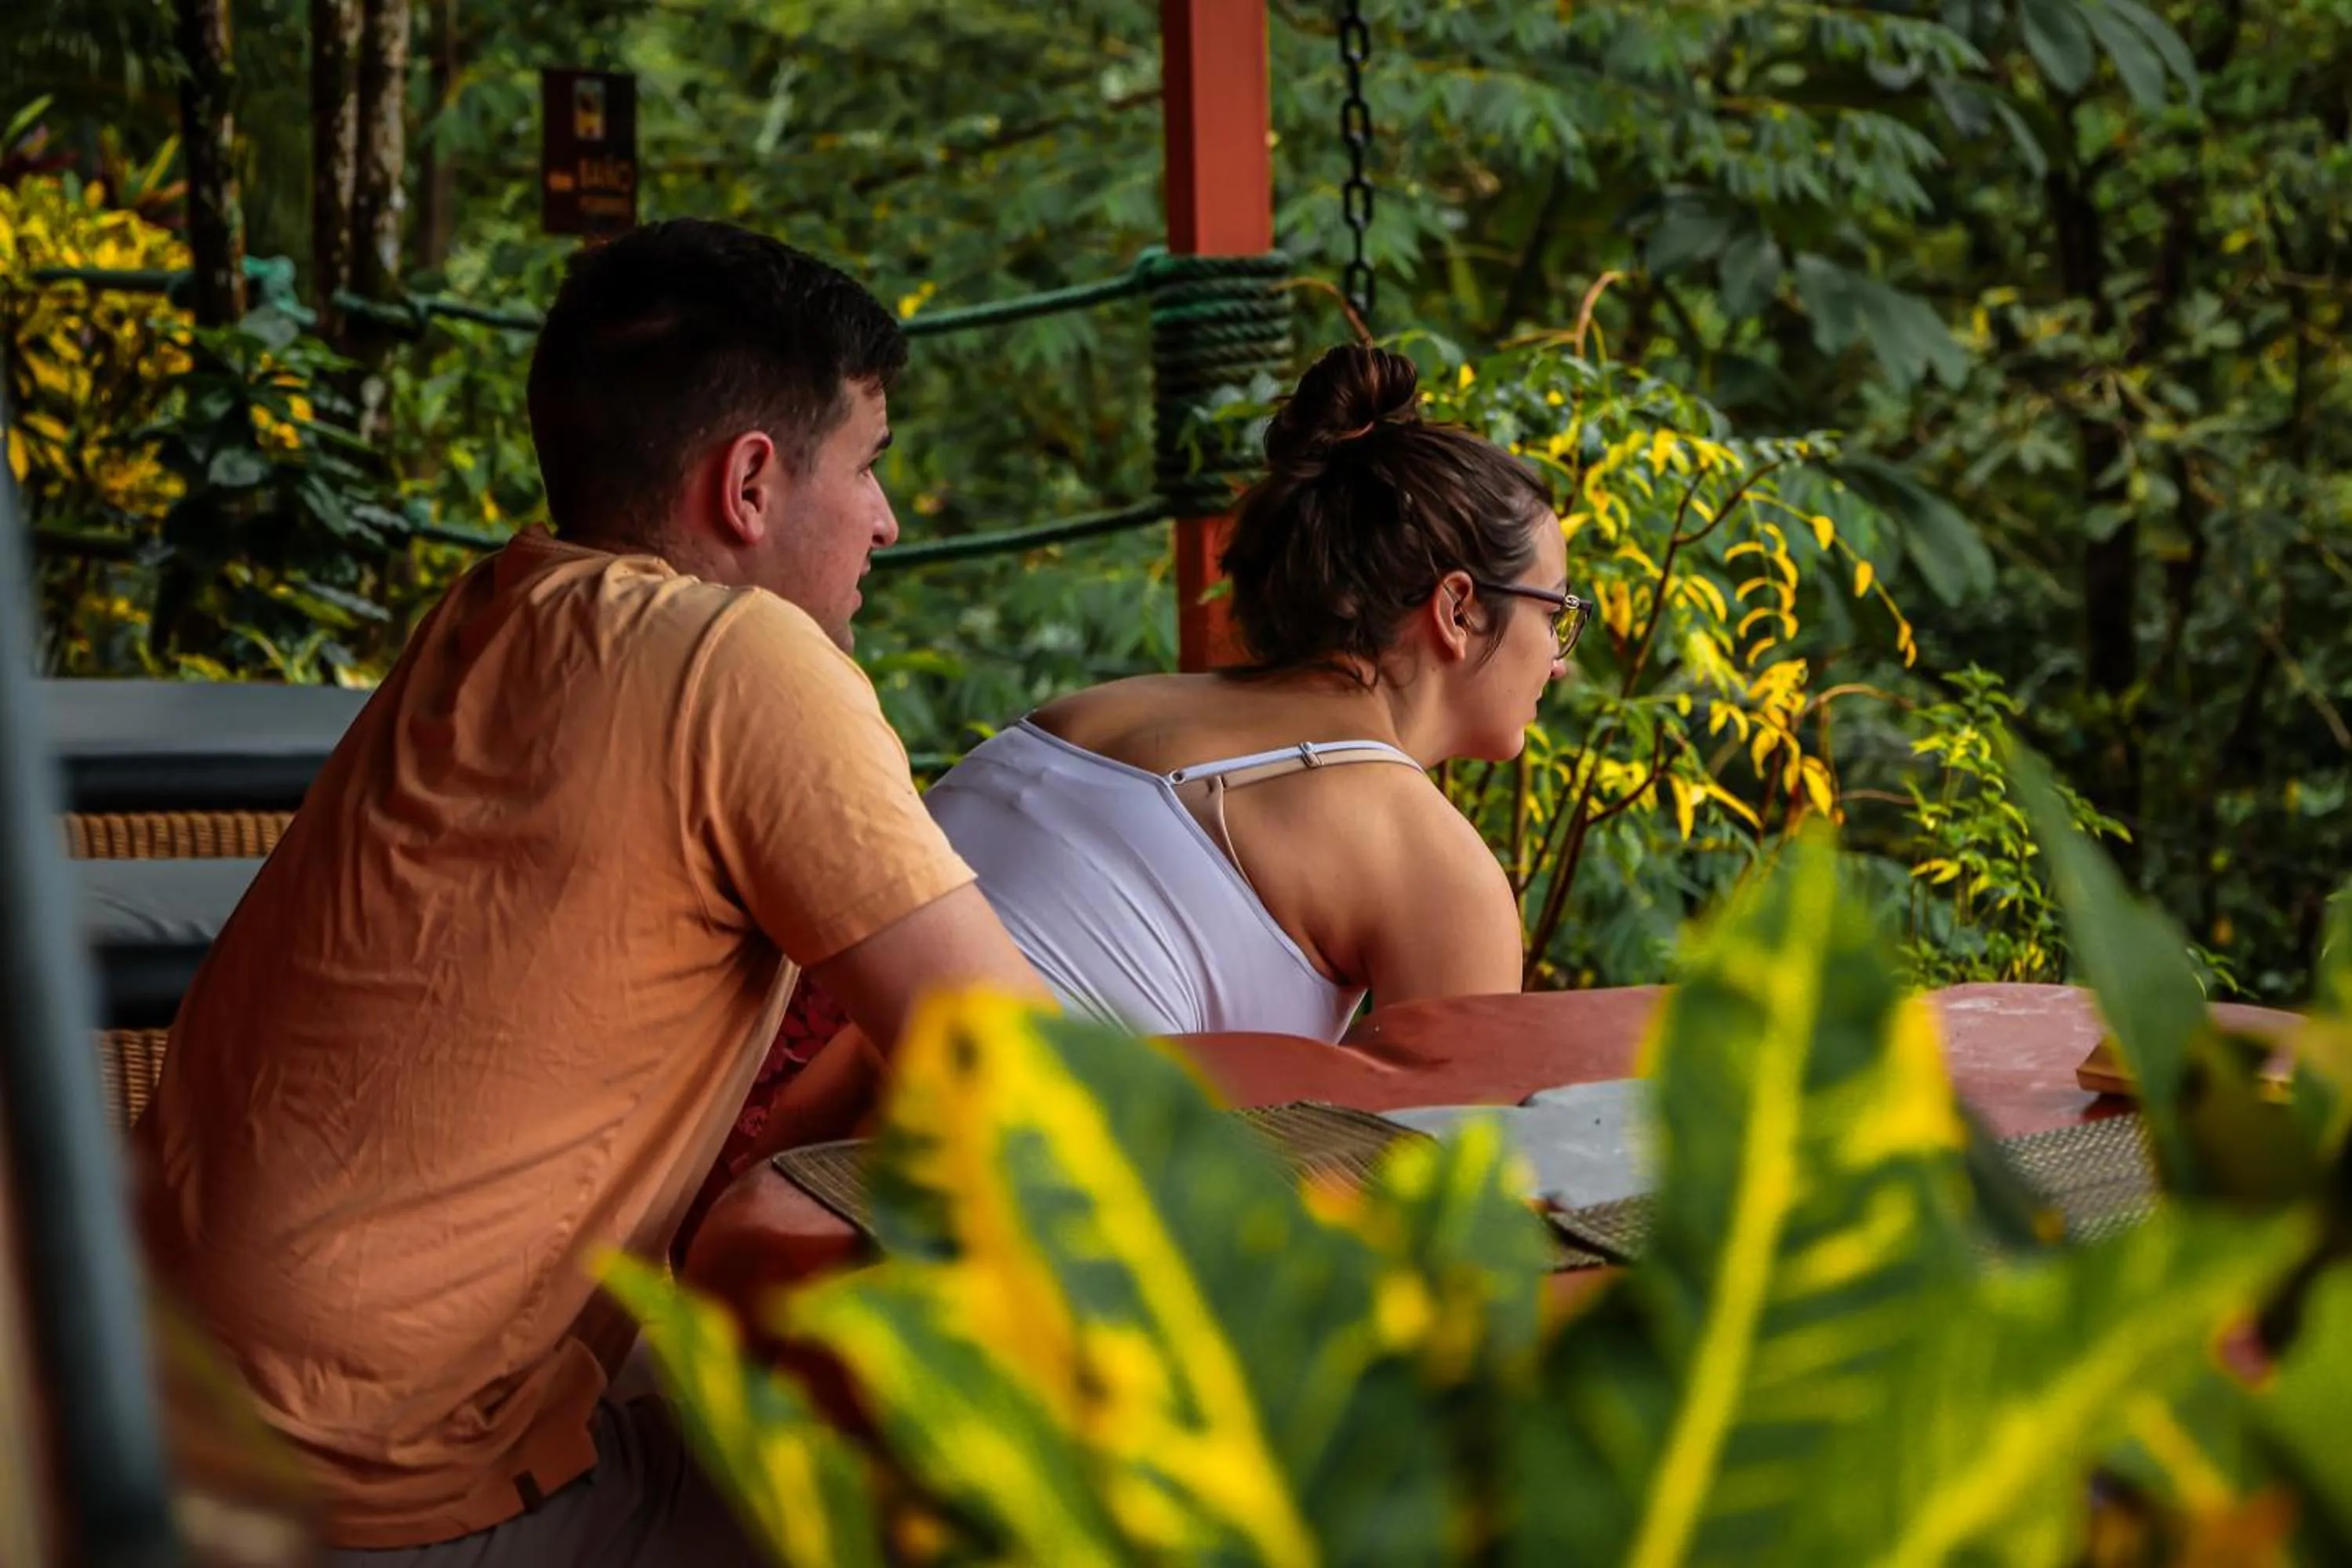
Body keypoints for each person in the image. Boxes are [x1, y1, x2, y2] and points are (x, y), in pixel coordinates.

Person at [131, 218, 1042, 1565]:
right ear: (748, 484)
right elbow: (1041, 1077)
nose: (888, 520)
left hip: (131, 1390)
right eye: (868, 468)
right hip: (361, 1489)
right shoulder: (744, 667)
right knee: (929, 1504)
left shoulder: (493, 607)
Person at [916, 343, 1581, 1041]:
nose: (1560, 661)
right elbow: (1454, 1141)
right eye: (1555, 613)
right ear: (1459, 611)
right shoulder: (1430, 863)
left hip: (817, 1123)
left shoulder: (1096, 711)